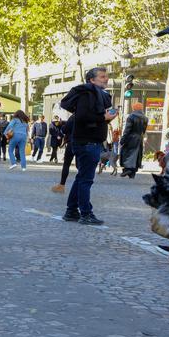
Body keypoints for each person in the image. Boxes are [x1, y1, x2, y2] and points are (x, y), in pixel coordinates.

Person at [60, 66, 115, 225]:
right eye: (102, 76)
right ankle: (86, 213)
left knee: (81, 178)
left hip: (89, 141)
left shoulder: (95, 94)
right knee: (86, 179)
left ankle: (71, 211)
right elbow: (84, 117)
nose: (106, 79)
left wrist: (107, 118)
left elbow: (91, 117)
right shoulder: (88, 94)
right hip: (87, 142)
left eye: (106, 76)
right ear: (92, 80)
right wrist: (103, 117)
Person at [119, 103, 148, 179]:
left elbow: (127, 129)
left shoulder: (131, 117)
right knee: (137, 154)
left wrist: (123, 139)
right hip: (139, 137)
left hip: (130, 137)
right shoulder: (145, 118)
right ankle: (133, 172)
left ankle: (127, 169)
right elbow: (144, 130)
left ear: (134, 108)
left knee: (127, 153)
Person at [52, 115, 76, 193]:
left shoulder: (74, 116)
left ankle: (62, 185)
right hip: (84, 144)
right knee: (81, 166)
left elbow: (64, 129)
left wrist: (61, 132)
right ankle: (80, 185)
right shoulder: (90, 114)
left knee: (66, 164)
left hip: (72, 142)